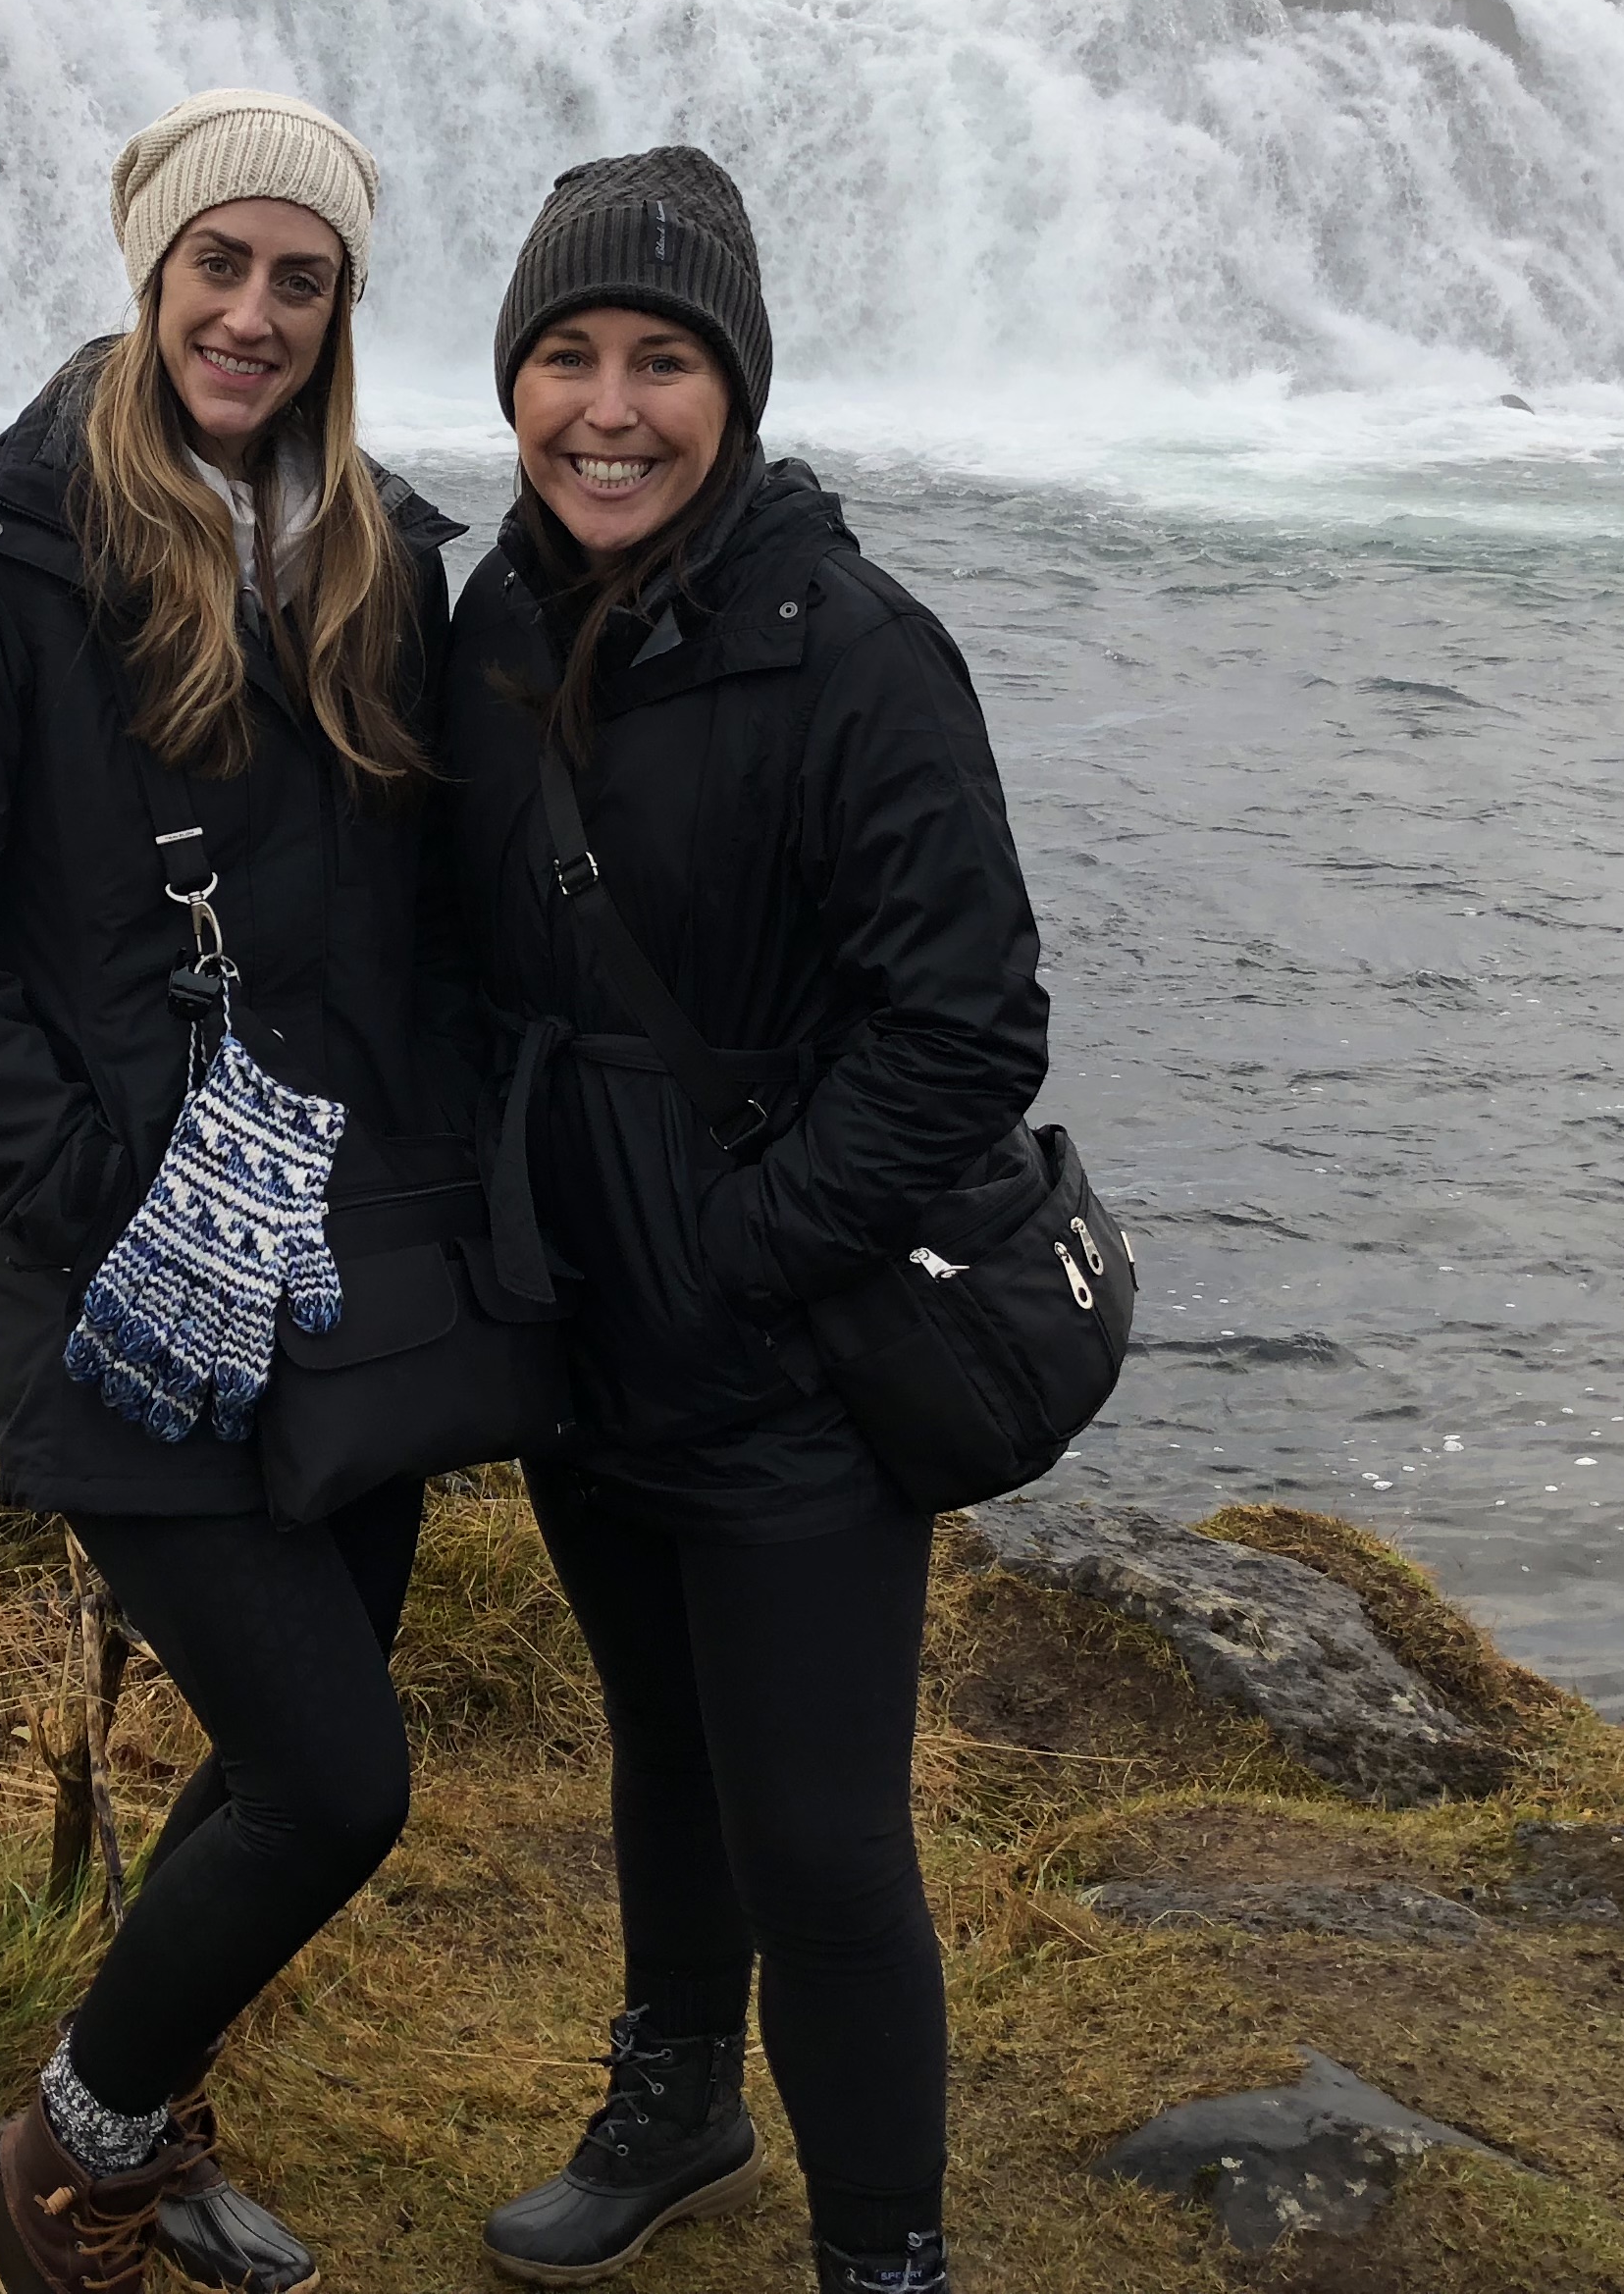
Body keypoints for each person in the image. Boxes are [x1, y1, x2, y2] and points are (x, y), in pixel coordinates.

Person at [0, 88, 470, 2294]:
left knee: (290, 1744)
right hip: (119, 1267)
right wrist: (104, 1202)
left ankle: (141, 2093)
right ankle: (59, 2158)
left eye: (304, 280)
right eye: (224, 266)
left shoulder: (382, 553)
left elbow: (422, 918)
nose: (258, 313)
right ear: (150, 271)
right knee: (340, 1777)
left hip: (349, 1264)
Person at [442, 148, 1052, 2294]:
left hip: (784, 1357)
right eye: (567, 357)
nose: (610, 407)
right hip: (583, 1341)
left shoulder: (862, 658)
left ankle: (885, 2251)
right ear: (514, 382)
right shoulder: (493, 619)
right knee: (669, 1757)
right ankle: (680, 2101)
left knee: (820, 1835)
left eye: (663, 361)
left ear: (740, 390)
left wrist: (741, 1258)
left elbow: (969, 1036)